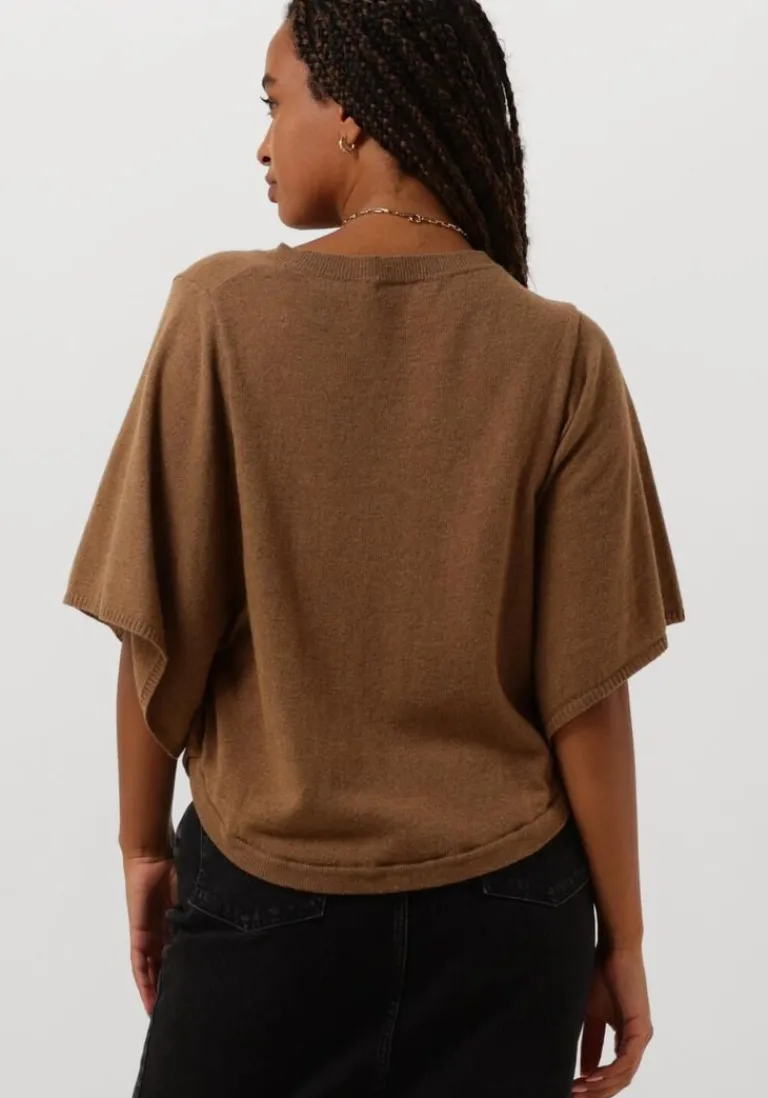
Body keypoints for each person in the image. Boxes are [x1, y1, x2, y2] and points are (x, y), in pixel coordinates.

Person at [63, 3, 686, 1097]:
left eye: (275, 102)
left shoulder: (221, 312)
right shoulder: (561, 353)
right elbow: (587, 693)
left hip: (267, 904)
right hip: (510, 918)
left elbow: (156, 630)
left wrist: (143, 850)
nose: (264, 144)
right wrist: (623, 937)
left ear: (350, 109)